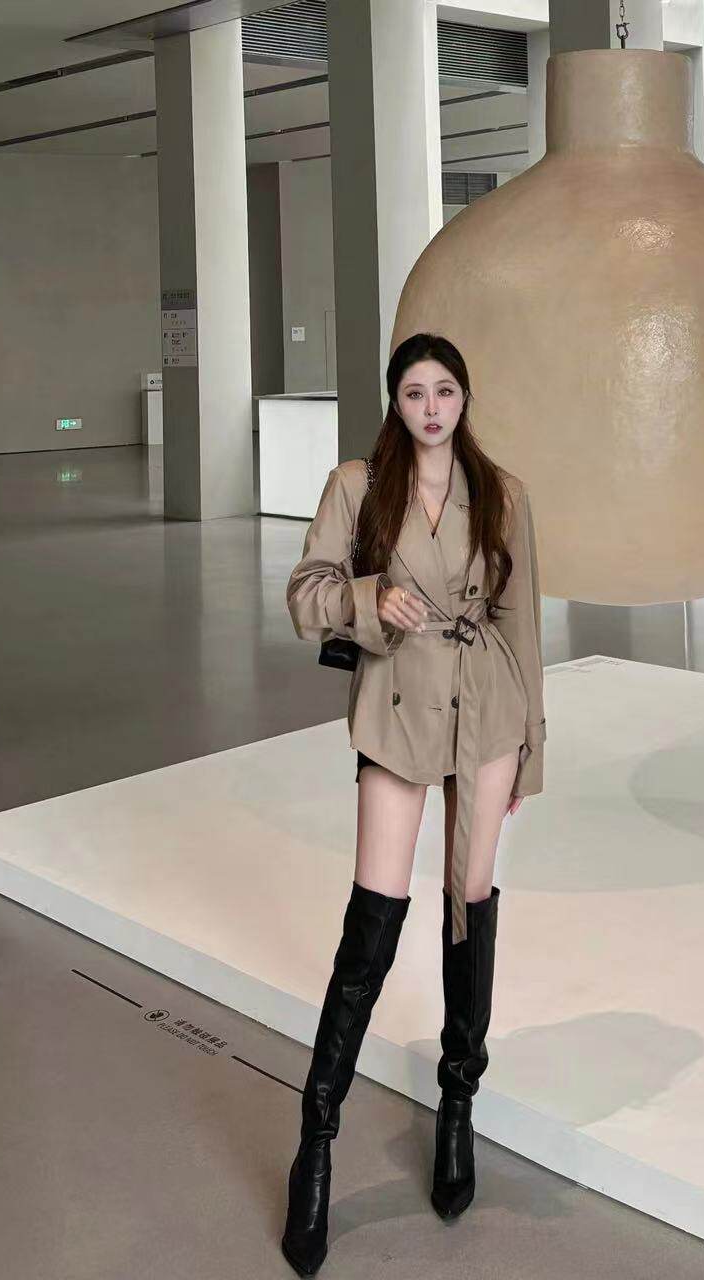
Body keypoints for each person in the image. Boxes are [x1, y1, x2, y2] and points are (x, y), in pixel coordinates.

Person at [280, 332, 546, 1276]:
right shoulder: (359, 486)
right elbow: (303, 595)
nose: (431, 409)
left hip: (488, 710)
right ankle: (317, 1141)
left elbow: (523, 624)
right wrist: (369, 599)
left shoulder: (503, 493)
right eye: (414, 393)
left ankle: (457, 1109)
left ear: (464, 398)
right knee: (374, 921)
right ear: (394, 402)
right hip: (395, 707)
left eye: (445, 392)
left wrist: (531, 750)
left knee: (468, 909)